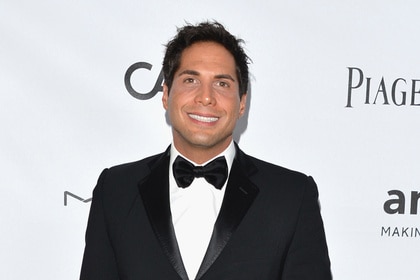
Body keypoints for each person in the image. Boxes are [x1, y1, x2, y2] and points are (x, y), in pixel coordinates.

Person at [80, 21, 331, 280]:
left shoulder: (291, 196)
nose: (206, 97)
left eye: (222, 84)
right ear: (166, 94)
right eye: (191, 80)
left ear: (242, 102)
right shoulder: (115, 190)